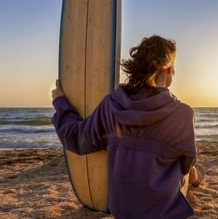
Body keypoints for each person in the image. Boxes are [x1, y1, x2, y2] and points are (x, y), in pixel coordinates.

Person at [52, 35, 202, 219]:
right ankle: (197, 178)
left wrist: (60, 102)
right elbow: (186, 163)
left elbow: (75, 138)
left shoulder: (112, 105)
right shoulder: (182, 113)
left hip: (122, 211)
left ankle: (196, 176)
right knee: (187, 164)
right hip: (164, 213)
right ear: (169, 69)